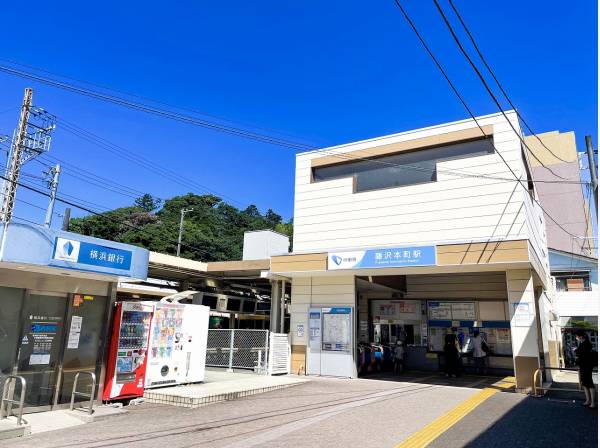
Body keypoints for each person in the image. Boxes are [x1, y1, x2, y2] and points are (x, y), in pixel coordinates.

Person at [574, 330, 596, 409]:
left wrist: (576, 351)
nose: (576, 338)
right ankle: (588, 400)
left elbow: (583, 354)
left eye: (577, 336)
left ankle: (593, 403)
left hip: (587, 366)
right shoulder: (582, 343)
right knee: (584, 383)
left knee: (589, 383)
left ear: (581, 336)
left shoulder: (587, 344)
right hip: (583, 365)